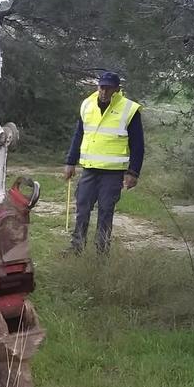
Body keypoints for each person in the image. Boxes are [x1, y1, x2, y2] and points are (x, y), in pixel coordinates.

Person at [63, 71, 144, 255]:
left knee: (106, 211)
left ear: (117, 89)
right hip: (89, 170)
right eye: (102, 87)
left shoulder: (129, 110)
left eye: (109, 88)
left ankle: (102, 252)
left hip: (113, 173)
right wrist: (70, 162)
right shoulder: (87, 105)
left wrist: (133, 172)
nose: (104, 92)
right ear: (97, 86)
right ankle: (77, 248)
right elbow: (79, 135)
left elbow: (138, 145)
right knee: (82, 209)